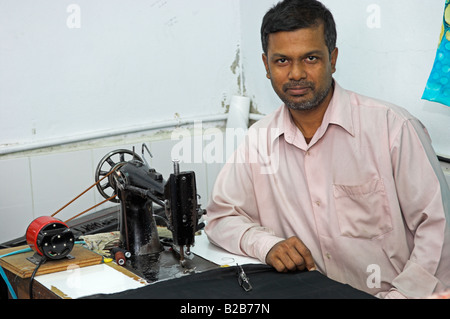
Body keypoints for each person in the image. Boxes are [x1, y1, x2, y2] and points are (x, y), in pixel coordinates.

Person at [205, 0, 450, 298]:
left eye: (310, 58)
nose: (295, 74)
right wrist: (266, 245)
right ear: (266, 66)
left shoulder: (393, 129)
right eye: (282, 61)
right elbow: (220, 218)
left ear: (333, 59)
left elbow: (440, 232)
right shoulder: (259, 140)